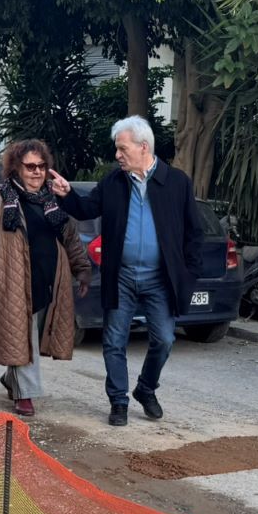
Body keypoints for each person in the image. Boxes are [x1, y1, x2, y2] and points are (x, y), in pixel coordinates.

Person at [50, 115, 199, 426]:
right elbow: (86, 209)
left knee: (165, 339)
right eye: (117, 149)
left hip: (160, 280)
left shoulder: (176, 182)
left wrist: (189, 273)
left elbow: (193, 232)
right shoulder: (114, 182)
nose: (117, 154)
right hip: (121, 277)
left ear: (143, 147)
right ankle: (118, 401)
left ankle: (146, 389)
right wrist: (67, 195)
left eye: (122, 148)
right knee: (114, 341)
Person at [0, 139, 91, 417]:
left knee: (31, 338)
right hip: (12, 280)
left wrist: (82, 269)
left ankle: (12, 378)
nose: (37, 171)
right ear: (16, 167)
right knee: (22, 334)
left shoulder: (53, 199)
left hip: (49, 280)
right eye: (30, 166)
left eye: (41, 166)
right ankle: (25, 394)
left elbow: (70, 238)